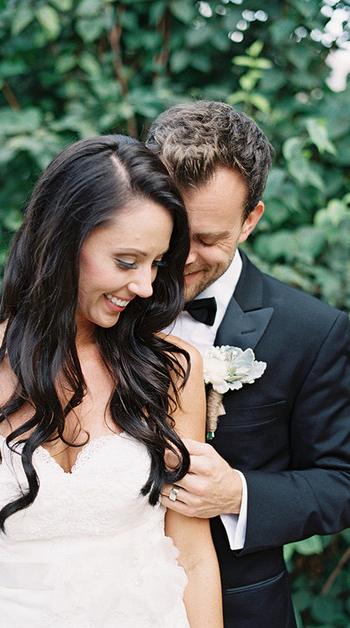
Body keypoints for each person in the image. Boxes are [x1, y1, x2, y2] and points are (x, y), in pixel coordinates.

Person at [0, 135, 223, 627]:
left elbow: (192, 557)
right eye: (126, 261)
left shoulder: (170, 368)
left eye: (155, 263)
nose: (145, 286)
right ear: (63, 241)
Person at [144, 101, 350, 627]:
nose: (181, 257)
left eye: (207, 239)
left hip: (241, 608)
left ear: (250, 220)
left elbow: (342, 480)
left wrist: (238, 493)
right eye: (172, 230)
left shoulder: (313, 332)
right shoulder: (101, 301)